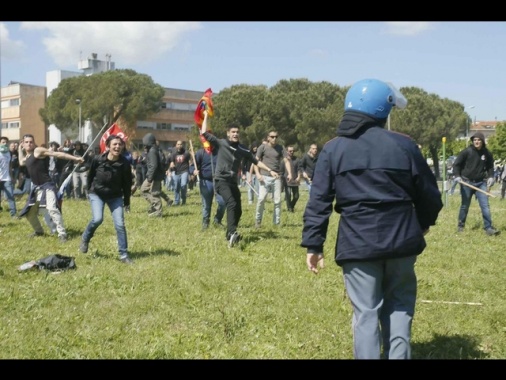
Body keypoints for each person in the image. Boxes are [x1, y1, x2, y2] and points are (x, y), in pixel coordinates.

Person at [301, 78, 443, 359]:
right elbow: (430, 195)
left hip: (357, 244)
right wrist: (423, 224)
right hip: (402, 241)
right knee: (400, 307)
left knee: (365, 313)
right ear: (384, 110)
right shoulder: (404, 145)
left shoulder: (332, 149)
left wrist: (314, 245)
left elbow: (318, 202)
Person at [201, 110, 276, 248]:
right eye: (233, 132)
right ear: (228, 133)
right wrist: (205, 116)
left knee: (238, 209)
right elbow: (204, 133)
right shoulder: (222, 143)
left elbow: (255, 161)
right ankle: (231, 233)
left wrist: (270, 170)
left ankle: (231, 232)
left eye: (237, 132)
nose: (235, 134)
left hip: (233, 182)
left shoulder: (243, 149)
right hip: (221, 180)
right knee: (231, 203)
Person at [18, 134, 84, 242]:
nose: (29, 144)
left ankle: (62, 234)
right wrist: (19, 150)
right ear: (23, 143)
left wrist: (75, 158)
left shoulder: (38, 151)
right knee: (29, 213)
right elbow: (21, 162)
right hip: (36, 188)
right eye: (26, 142)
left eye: (31, 142)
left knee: (52, 209)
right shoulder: (28, 156)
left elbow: (57, 154)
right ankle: (39, 231)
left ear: (34, 143)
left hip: (47, 186)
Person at [79, 135, 134, 264]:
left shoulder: (125, 163)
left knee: (120, 224)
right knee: (98, 219)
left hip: (115, 196)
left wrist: (127, 202)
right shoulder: (97, 159)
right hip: (97, 194)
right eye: (114, 144)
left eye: (120, 144)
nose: (117, 147)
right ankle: (85, 238)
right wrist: (89, 189)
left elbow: (127, 184)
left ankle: (123, 255)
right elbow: (90, 175)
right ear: (108, 146)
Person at [452, 132, 499, 235]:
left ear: (482, 141)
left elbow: (490, 166)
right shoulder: (466, 152)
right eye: (475, 140)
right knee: (465, 205)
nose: (476, 142)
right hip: (466, 183)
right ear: (473, 141)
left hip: (481, 183)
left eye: (479, 140)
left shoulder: (486, 153)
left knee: (485, 206)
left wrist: (491, 177)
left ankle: (488, 228)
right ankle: (460, 226)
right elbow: (456, 165)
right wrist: (457, 176)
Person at [253, 131, 292, 228]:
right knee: (261, 199)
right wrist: (257, 174)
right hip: (264, 176)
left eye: (276, 137)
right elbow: (255, 161)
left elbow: (286, 161)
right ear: (268, 138)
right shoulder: (262, 147)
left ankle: (276, 222)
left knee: (277, 200)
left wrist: (290, 173)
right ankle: (258, 221)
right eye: (272, 137)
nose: (274, 138)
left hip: (277, 177)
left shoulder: (280, 148)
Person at [194, 146, 226, 230]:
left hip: (219, 181)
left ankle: (217, 220)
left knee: (223, 202)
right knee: (206, 204)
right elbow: (193, 166)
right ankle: (205, 223)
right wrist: (193, 171)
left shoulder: (220, 152)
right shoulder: (200, 153)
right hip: (206, 181)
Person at [140, 133, 166, 217]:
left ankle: (158, 210)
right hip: (157, 175)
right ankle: (154, 208)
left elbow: (154, 165)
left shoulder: (152, 151)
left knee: (147, 191)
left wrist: (149, 178)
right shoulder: (156, 150)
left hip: (154, 176)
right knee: (152, 192)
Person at [168, 140, 192, 206]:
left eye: (181, 144)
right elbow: (171, 162)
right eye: (178, 144)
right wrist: (170, 168)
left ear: (182, 145)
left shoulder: (186, 153)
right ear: (176, 145)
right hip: (176, 171)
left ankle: (183, 199)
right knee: (176, 187)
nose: (179, 145)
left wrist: (192, 156)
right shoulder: (173, 153)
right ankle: (177, 201)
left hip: (184, 171)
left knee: (183, 185)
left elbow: (190, 161)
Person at [0, 136, 18, 217]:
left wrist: (12, 177)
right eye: (3, 142)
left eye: (6, 142)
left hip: (7, 178)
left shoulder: (9, 153)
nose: (5, 144)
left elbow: (10, 166)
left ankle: (13, 214)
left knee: (11, 196)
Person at [283, 145, 301, 212]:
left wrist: (299, 177)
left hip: (295, 180)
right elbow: (281, 170)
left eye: (293, 151)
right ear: (287, 151)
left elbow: (299, 169)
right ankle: (289, 208)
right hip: (287, 180)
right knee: (288, 195)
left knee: (296, 196)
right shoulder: (284, 160)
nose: (292, 152)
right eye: (290, 151)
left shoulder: (297, 159)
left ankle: (291, 206)